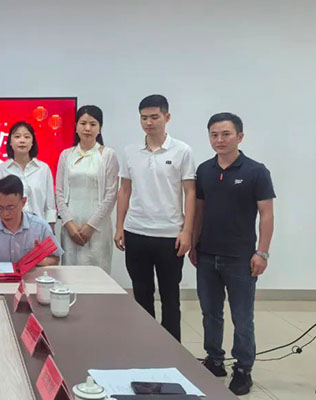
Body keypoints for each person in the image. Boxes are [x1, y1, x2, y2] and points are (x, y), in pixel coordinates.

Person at [189, 113, 275, 396]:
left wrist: (262, 252)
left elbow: (266, 214)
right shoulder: (204, 170)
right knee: (210, 313)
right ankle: (214, 360)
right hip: (207, 255)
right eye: (214, 134)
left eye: (225, 134)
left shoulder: (256, 171)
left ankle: (243, 368)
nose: (219, 140)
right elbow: (199, 210)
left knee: (242, 317)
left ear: (240, 136)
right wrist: (194, 243)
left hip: (241, 258)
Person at [115, 94, 196, 342]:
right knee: (141, 295)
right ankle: (145, 345)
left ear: (167, 117)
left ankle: (171, 350)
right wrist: (119, 227)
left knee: (170, 297)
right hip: (136, 231)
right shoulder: (130, 151)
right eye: (144, 118)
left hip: (169, 235)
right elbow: (124, 190)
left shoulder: (182, 150)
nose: (148, 123)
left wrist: (187, 231)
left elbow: (190, 192)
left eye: (154, 117)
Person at [55, 105, 119, 273]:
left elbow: (111, 195)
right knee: (70, 274)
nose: (87, 128)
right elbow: (59, 192)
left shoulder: (108, 155)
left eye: (93, 124)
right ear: (76, 126)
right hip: (71, 226)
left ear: (100, 128)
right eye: (83, 123)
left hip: (98, 228)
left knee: (97, 275)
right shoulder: (66, 155)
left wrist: (91, 226)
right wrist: (69, 224)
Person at [0, 121, 56, 229]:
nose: (22, 140)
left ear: (32, 142)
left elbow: (50, 206)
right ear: (10, 142)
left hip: (38, 228)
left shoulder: (43, 169)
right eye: (17, 136)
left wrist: (50, 229)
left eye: (26, 137)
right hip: (8, 229)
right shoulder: (1, 170)